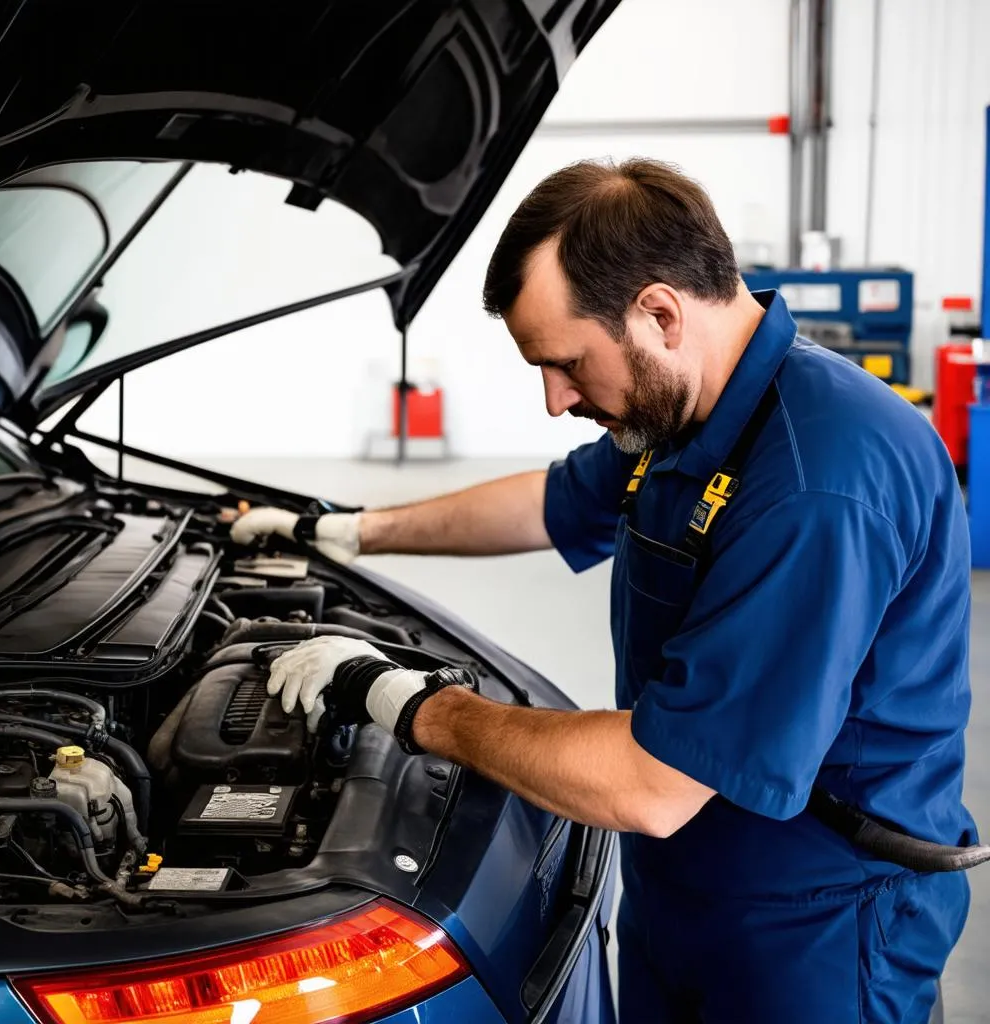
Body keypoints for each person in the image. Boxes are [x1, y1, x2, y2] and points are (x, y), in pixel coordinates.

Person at [230, 158, 974, 1023]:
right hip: (685, 885)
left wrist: (403, 700)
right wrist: (349, 528)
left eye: (567, 363)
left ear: (659, 312)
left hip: (814, 927)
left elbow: (652, 786)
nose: (555, 399)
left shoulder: (818, 481)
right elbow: (550, 503)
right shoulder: (690, 409)